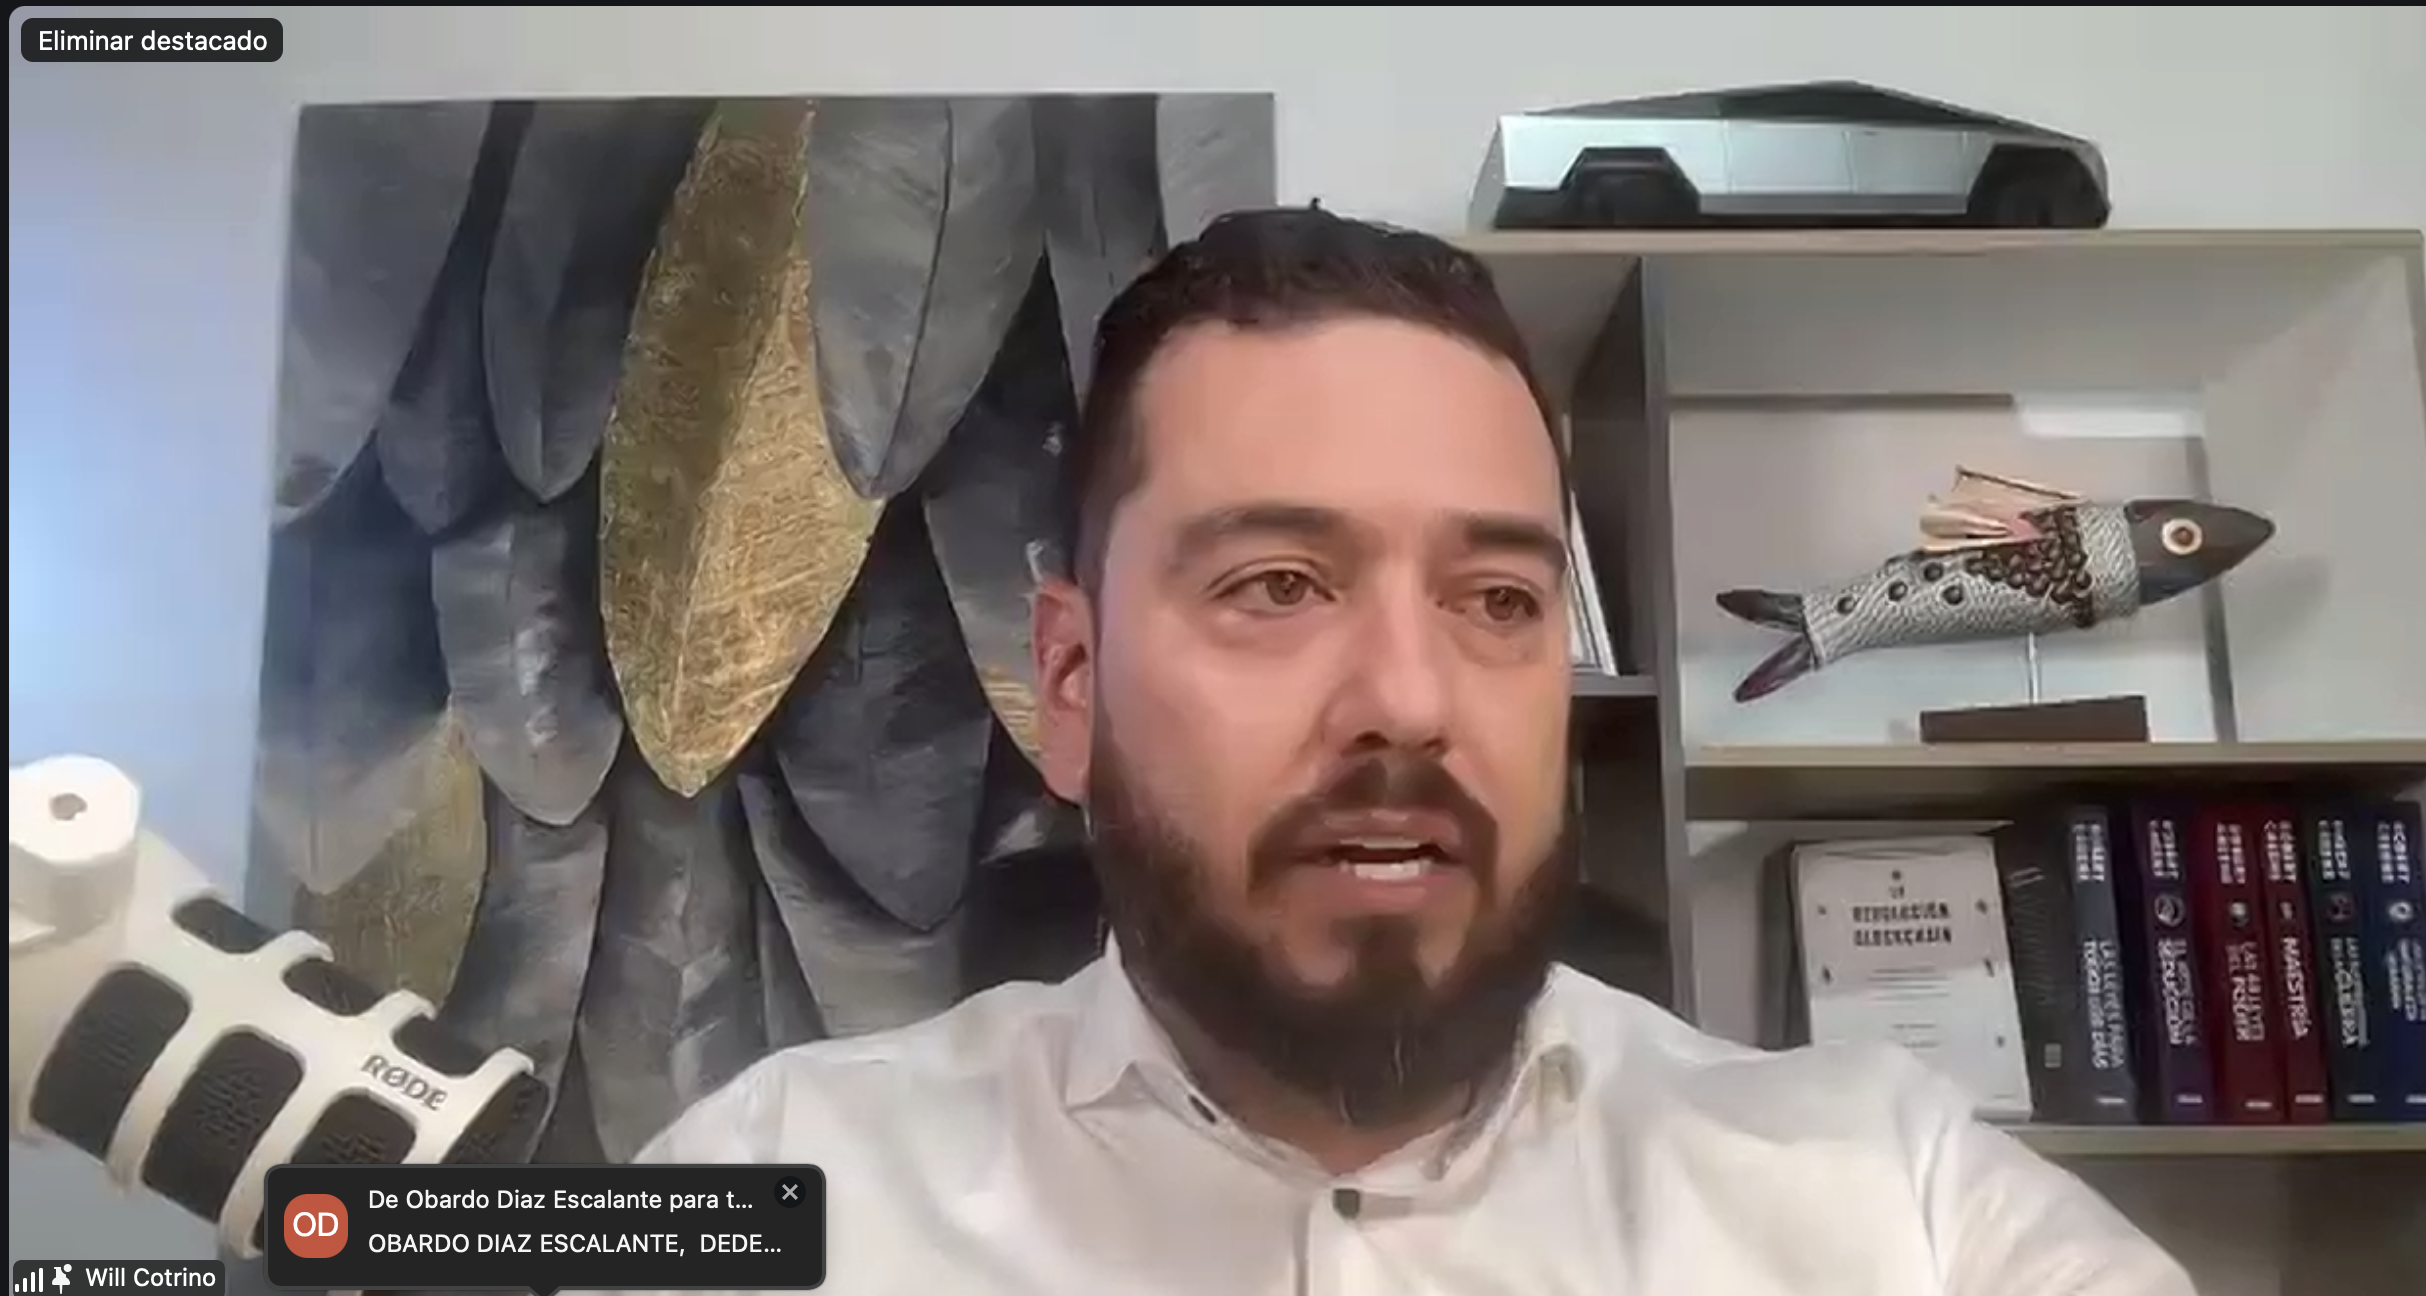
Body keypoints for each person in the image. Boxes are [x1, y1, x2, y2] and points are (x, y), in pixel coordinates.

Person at [626, 207, 2198, 1295]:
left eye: (1497, 599)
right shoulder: (780, 1185)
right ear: (1075, 682)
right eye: (1278, 586)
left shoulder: (1894, 1202)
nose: (1409, 699)